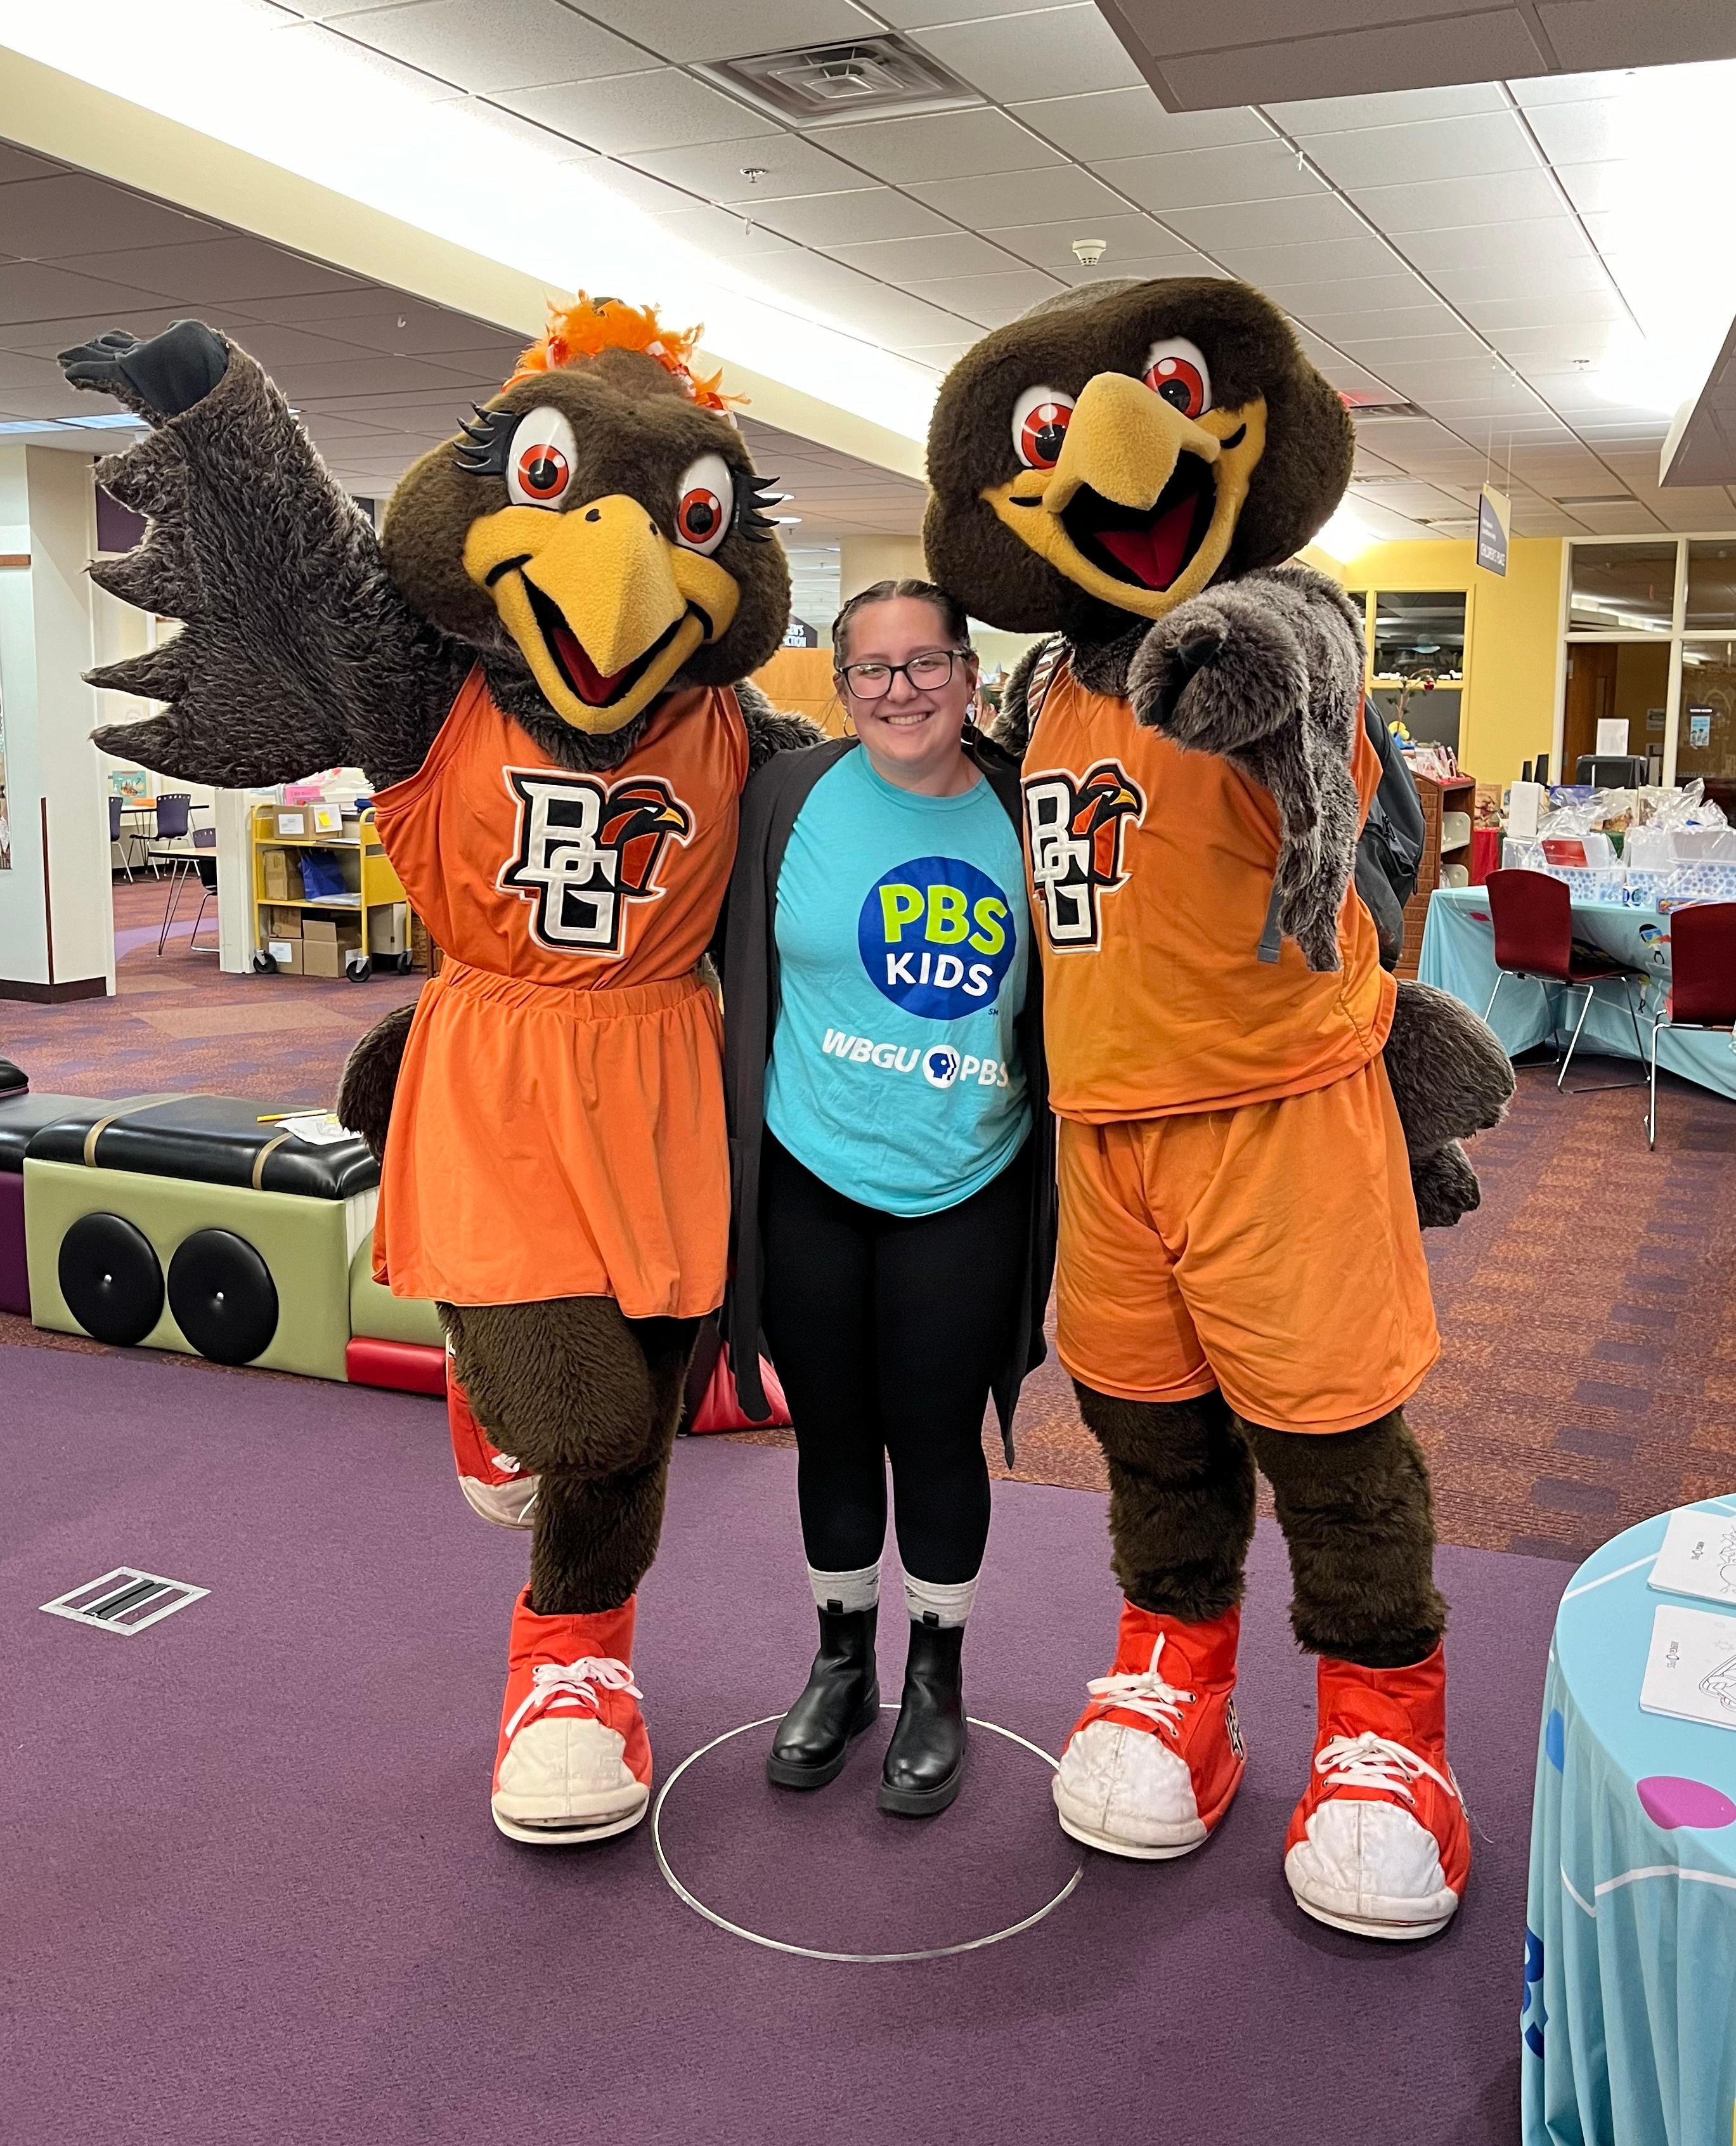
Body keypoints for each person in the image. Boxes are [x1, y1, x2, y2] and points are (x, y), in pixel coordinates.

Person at [722, 580, 1055, 1818]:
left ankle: (935, 1678)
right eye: (873, 668)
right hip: (809, 1173)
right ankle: (839, 1660)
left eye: (927, 665)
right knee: (831, 1433)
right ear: (840, 682)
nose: (901, 689)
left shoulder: (1028, 812)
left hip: (967, 1176)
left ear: (972, 678)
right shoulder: (787, 798)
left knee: (935, 1435)